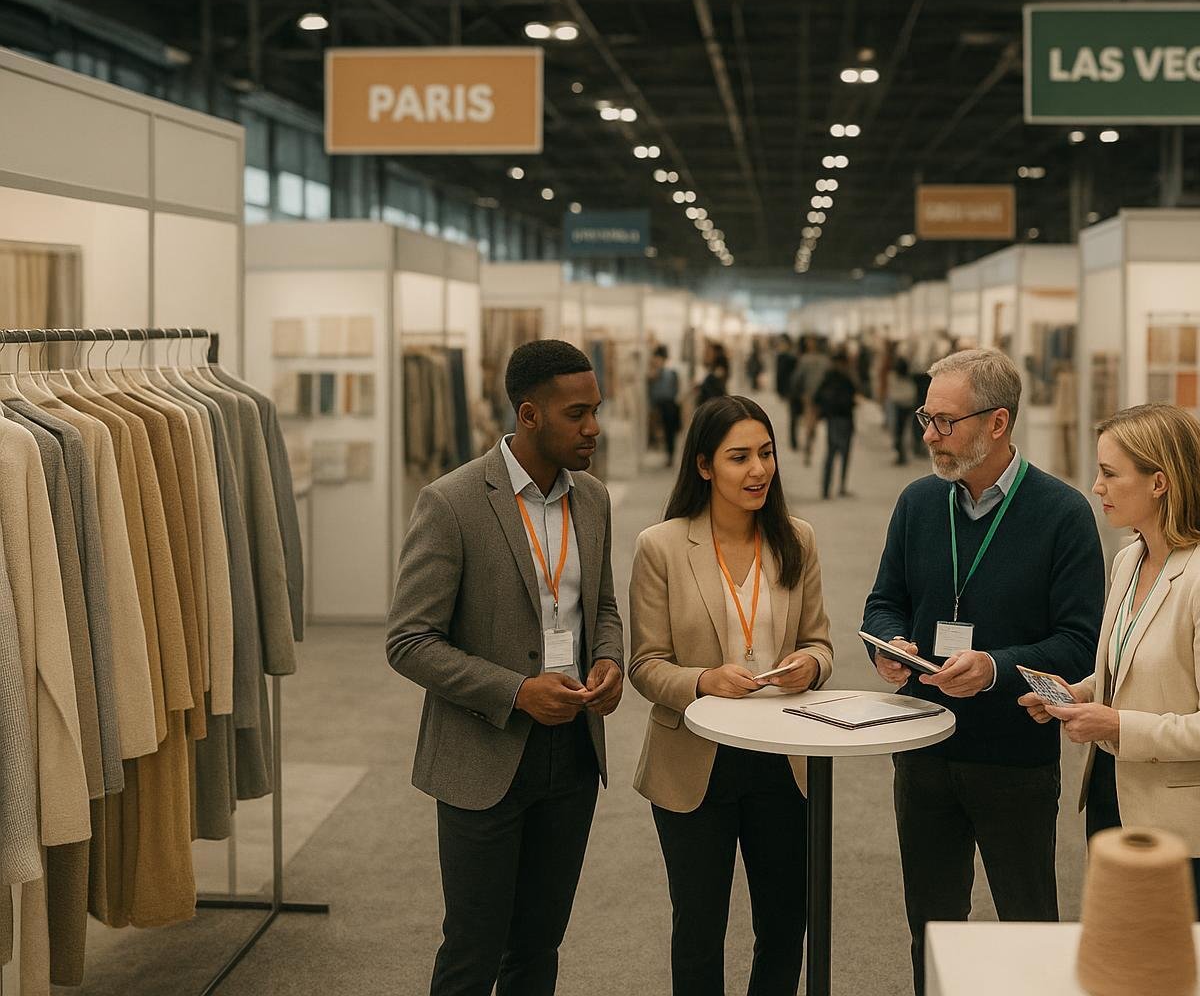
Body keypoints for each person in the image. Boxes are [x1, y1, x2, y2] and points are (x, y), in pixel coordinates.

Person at [386, 339, 626, 996]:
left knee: (538, 945)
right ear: (529, 415)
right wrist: (516, 692)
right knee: (474, 948)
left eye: (596, 410)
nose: (594, 428)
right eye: (577, 414)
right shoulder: (452, 501)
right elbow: (408, 640)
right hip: (483, 756)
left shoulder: (593, 499)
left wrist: (609, 657)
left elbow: (603, 604)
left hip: (572, 755)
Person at [861, 348, 1103, 994]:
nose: (929, 435)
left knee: (1029, 927)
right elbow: (884, 601)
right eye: (926, 418)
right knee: (932, 929)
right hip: (922, 748)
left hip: (1014, 758)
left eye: (946, 421)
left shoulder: (1063, 514)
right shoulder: (918, 503)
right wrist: (888, 644)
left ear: (998, 423)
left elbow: (1081, 646)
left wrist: (995, 669)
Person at [629, 395, 835, 996]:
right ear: (704, 466)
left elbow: (820, 643)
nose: (759, 470)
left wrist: (809, 665)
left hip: (784, 757)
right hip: (696, 759)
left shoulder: (797, 538)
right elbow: (645, 664)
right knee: (699, 928)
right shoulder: (662, 546)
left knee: (785, 925)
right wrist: (702, 681)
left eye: (766, 454)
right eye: (739, 457)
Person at [1021, 403, 1200, 922]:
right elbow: (1130, 666)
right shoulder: (1130, 559)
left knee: (1170, 960)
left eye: (1109, 474)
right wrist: (1081, 692)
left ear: (1159, 483)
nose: (1096, 487)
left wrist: (1117, 725)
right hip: (1113, 795)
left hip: (1182, 825)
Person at [814, 351, 859, 499]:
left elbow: (817, 397)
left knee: (833, 454)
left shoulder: (829, 378)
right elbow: (853, 395)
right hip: (842, 419)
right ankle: (837, 487)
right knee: (840, 454)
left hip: (834, 420)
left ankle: (829, 488)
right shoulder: (843, 378)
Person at [790, 337, 831, 468]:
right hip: (822, 398)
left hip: (809, 396)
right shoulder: (826, 361)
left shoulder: (805, 359)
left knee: (810, 423)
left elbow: (797, 378)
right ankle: (811, 444)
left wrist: (797, 393)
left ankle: (809, 447)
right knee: (814, 424)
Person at [648, 344, 683, 466]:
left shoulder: (669, 372)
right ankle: (669, 455)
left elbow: (675, 390)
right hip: (662, 405)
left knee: (669, 432)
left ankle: (670, 455)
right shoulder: (657, 373)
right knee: (666, 432)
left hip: (669, 405)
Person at [888, 356, 917, 466]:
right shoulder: (909, 378)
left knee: (898, 431)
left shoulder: (893, 377)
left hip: (899, 406)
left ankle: (901, 454)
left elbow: (892, 394)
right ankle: (902, 453)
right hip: (908, 405)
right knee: (904, 431)